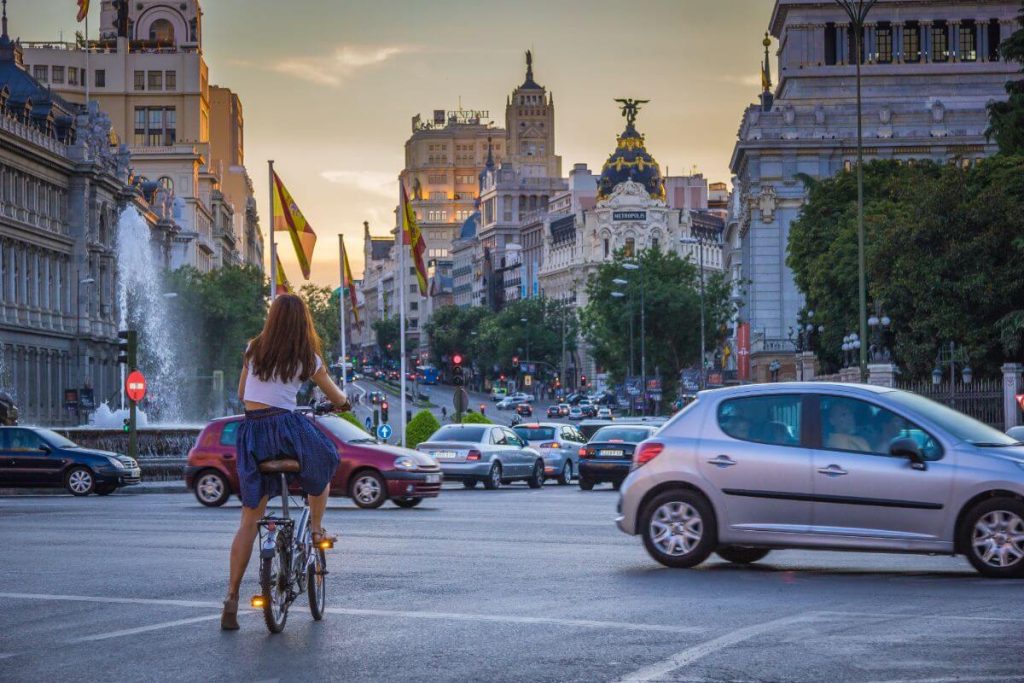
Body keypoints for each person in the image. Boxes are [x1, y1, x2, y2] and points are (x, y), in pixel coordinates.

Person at [221, 294, 350, 631]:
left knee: (249, 521)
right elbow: (336, 396)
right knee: (325, 459)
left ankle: (231, 598)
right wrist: (343, 403)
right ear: (302, 322)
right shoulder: (307, 357)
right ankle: (317, 528)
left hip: (252, 436)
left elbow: (241, 393)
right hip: (285, 429)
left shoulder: (253, 349)